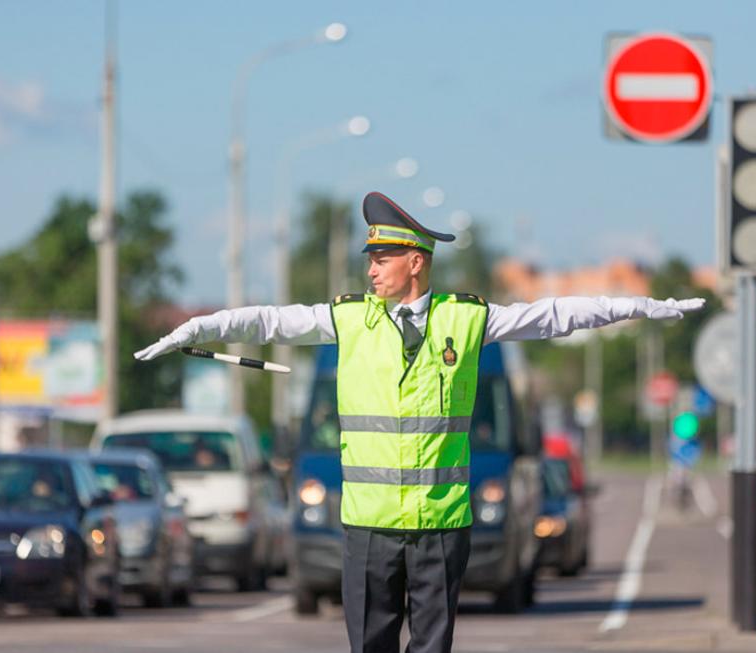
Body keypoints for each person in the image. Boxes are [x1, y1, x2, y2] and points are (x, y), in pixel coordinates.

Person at [134, 191, 705, 653]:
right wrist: (199, 328)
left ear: (415, 261)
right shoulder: (350, 321)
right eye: (369, 259)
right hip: (368, 526)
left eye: (381, 259)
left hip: (441, 524)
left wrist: (636, 307)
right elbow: (271, 322)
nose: (371, 269)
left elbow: (553, 315)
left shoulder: (465, 319)